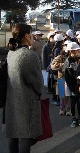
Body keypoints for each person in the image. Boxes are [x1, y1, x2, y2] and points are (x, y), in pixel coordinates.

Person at [6, 23, 44, 152]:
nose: (33, 37)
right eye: (32, 34)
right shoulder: (28, 55)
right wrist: (40, 92)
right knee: (26, 135)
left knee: (14, 134)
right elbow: (37, 81)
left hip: (12, 98)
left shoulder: (11, 53)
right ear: (27, 36)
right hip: (26, 99)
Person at [62, 42, 80, 127]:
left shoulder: (78, 59)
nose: (78, 51)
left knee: (79, 102)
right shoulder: (68, 61)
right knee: (73, 102)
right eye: (76, 50)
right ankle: (74, 118)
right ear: (72, 51)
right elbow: (68, 75)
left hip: (79, 84)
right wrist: (77, 78)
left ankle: (79, 117)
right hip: (71, 85)